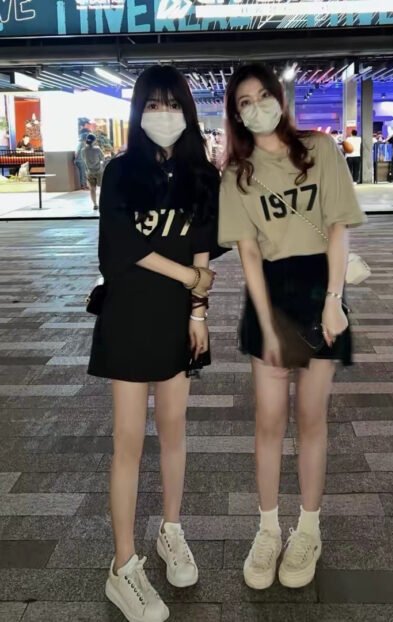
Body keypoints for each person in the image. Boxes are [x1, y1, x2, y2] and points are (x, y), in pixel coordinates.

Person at [218, 63, 366, 592]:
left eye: (263, 95)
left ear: (279, 98)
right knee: (268, 421)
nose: (256, 106)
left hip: (321, 289)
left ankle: (308, 528)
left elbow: (338, 228)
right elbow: (248, 254)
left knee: (311, 419)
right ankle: (267, 529)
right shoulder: (237, 174)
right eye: (244, 102)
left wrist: (334, 300)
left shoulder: (320, 150)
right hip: (271, 294)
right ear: (236, 115)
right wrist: (265, 324)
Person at [88, 65, 223, 622]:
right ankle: (122, 566)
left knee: (173, 431)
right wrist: (189, 278)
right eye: (153, 104)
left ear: (186, 112)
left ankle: (171, 531)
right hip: (127, 316)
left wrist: (198, 311)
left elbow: (203, 245)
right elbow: (120, 248)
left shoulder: (202, 175)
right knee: (128, 441)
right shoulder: (121, 172)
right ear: (138, 111)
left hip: (175, 319)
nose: (163, 114)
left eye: (172, 104)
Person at [82, 133, 105, 210]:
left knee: (92, 189)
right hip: (99, 171)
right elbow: (103, 159)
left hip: (90, 172)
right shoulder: (97, 149)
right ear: (94, 140)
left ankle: (95, 204)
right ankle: (103, 203)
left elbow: (84, 160)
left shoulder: (83, 150)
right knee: (102, 188)